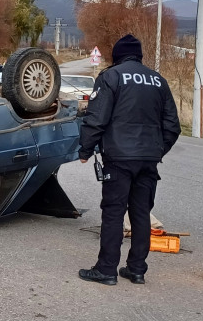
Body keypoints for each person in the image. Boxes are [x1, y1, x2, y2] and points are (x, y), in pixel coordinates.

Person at [77, 34, 181, 286]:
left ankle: (106, 269)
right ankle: (136, 270)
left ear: (117, 55)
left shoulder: (111, 77)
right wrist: (157, 150)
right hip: (148, 159)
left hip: (120, 158)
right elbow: (172, 126)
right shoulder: (158, 80)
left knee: (113, 213)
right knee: (141, 213)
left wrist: (85, 150)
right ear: (140, 55)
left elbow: (97, 118)